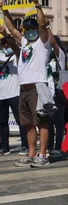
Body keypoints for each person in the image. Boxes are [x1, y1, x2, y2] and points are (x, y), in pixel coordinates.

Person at [2, 0, 53, 167]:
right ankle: (31, 154)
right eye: (27, 29)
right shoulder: (24, 42)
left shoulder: (43, 43)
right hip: (23, 88)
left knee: (42, 121)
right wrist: (4, 10)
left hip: (38, 86)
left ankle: (43, 154)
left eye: (32, 29)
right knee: (28, 123)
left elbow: (41, 24)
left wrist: (37, 5)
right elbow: (11, 28)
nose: (30, 31)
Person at [0, 27, 26, 155]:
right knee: (2, 122)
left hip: (14, 93)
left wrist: (6, 34)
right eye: (3, 43)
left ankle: (25, 145)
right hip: (1, 95)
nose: (5, 45)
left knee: (20, 120)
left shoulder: (16, 56)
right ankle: (4, 147)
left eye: (6, 43)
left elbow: (15, 47)